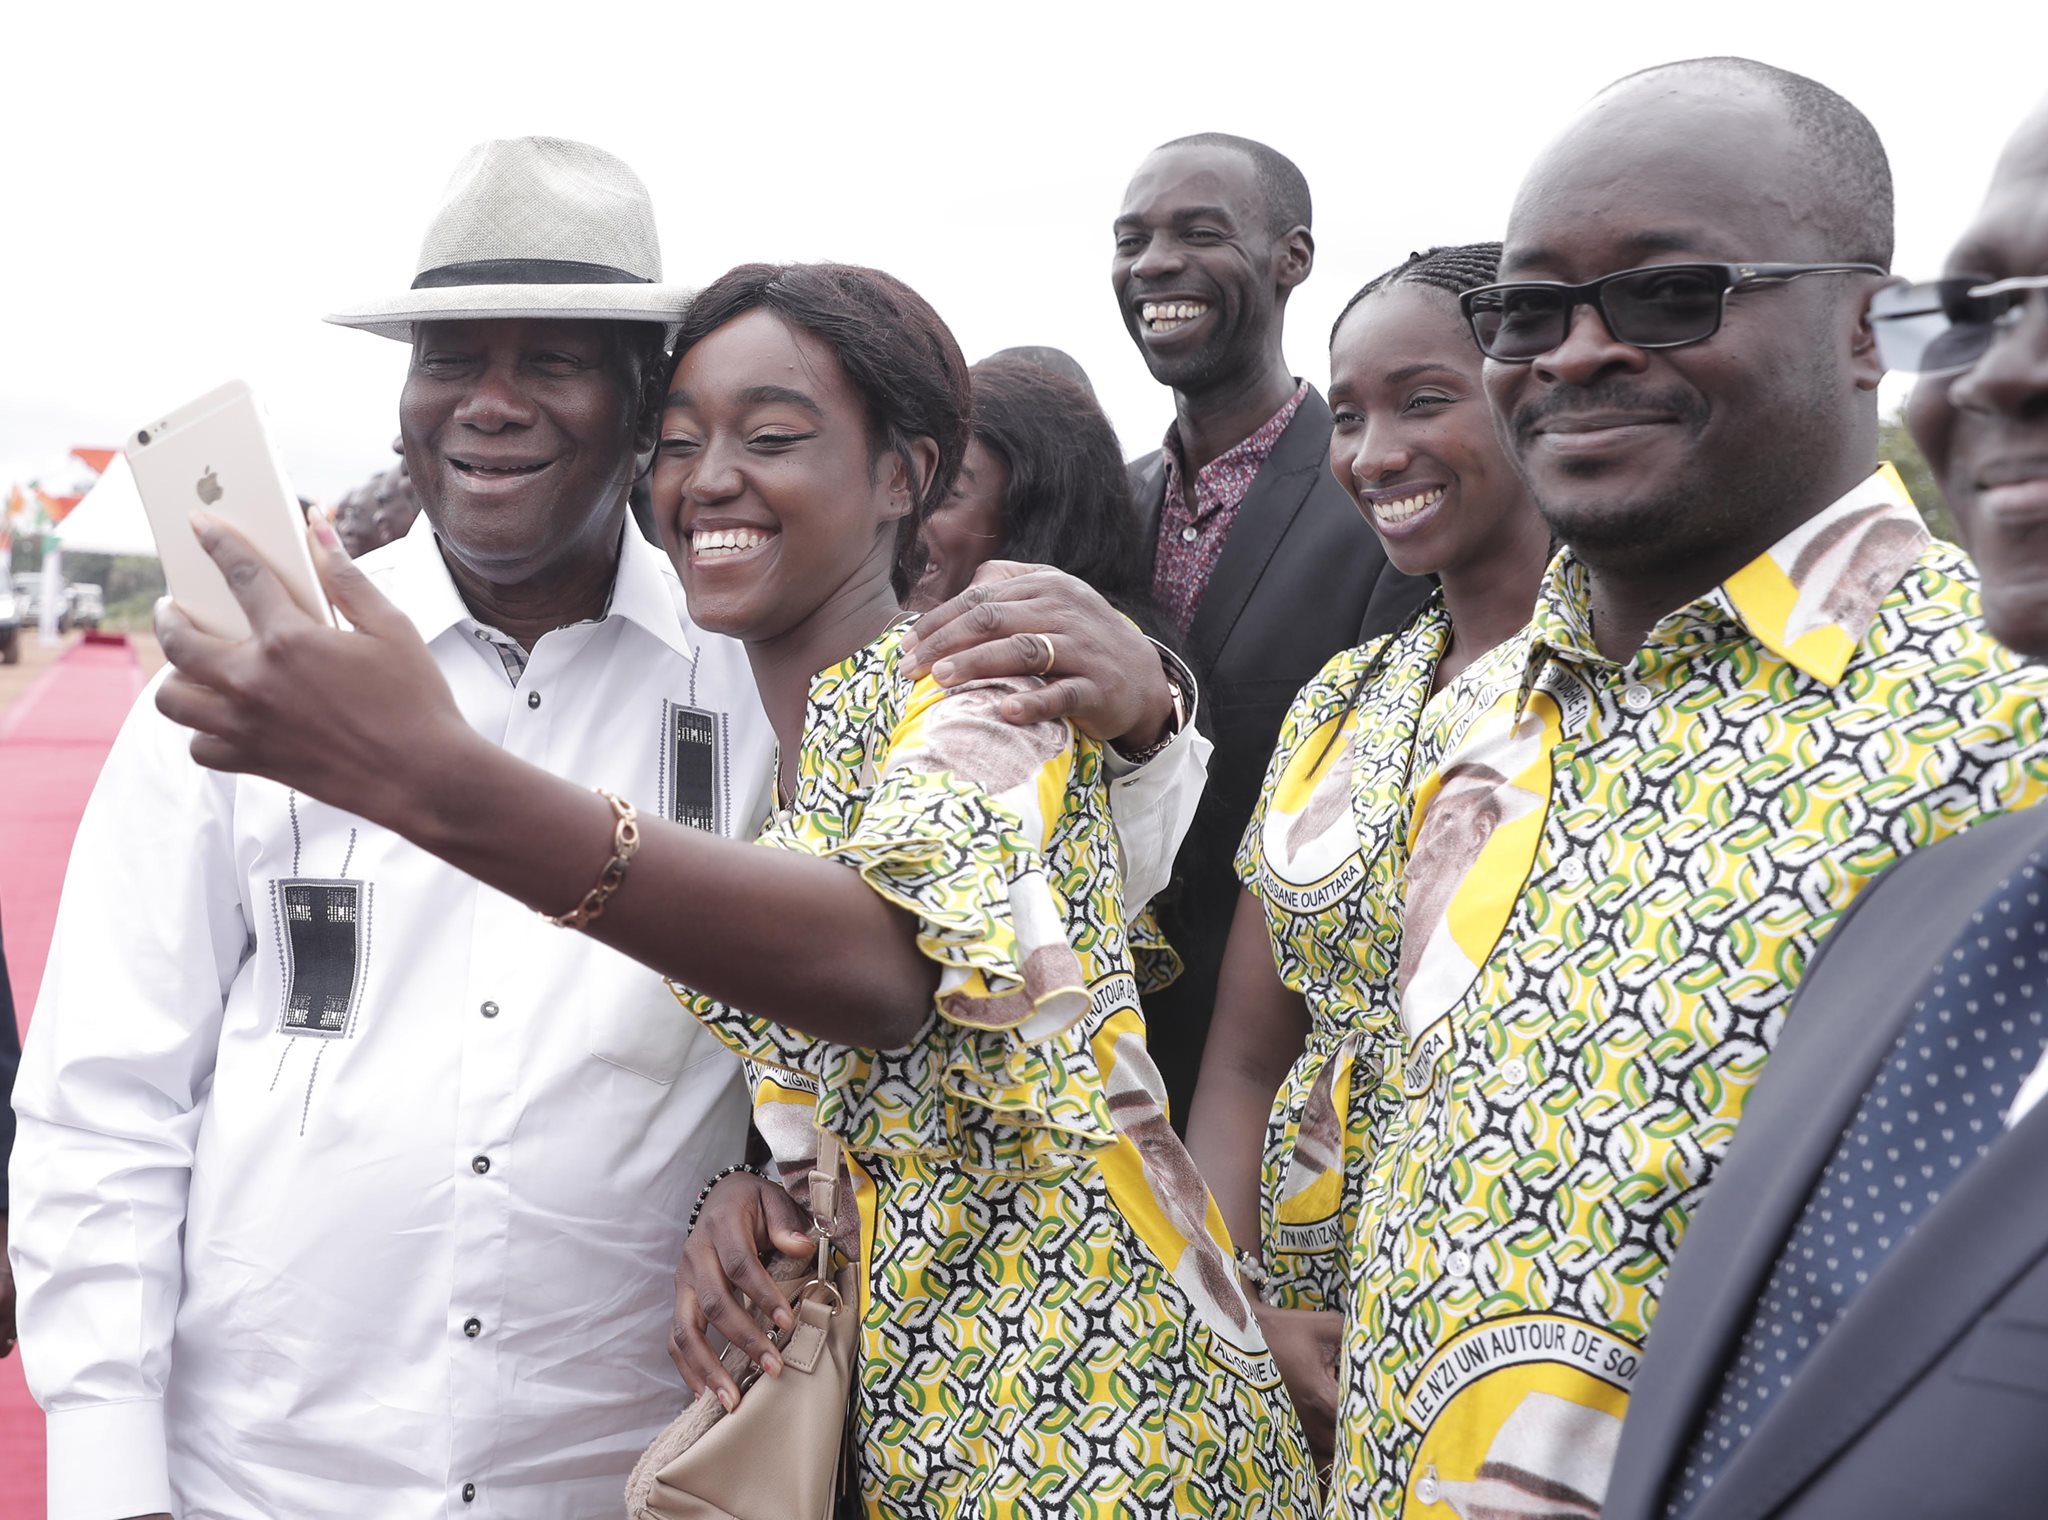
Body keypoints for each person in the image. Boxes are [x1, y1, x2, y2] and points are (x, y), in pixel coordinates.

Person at [5, 139, 1201, 1520]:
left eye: (551, 360)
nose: (489, 405)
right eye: (451, 357)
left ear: (638, 406)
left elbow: (968, 934)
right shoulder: (256, 672)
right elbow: (108, 1095)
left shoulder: (758, 671)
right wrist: (107, 1475)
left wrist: (1151, 721)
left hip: (628, 1468)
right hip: (265, 1471)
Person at [1323, 60, 2048, 1520]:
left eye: (1670, 296)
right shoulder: (1481, 711)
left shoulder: (2002, 723)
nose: (1577, 354)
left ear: (1863, 327)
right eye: (1530, 312)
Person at [1603, 91, 2048, 1520]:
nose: (1998, 374)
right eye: (1975, 306)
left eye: (1667, 298)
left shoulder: (1956, 735)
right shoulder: (1945, 920)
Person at [1183, 242, 1551, 1463]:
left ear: (1534, 387)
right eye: (1344, 414)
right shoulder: (1339, 700)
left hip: (1510, 1346)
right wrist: (1242, 1312)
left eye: (1422, 399)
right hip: (1292, 1336)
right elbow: (1243, 1056)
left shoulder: (1621, 688)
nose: (1371, 451)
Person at [1113, 132, 1433, 1125]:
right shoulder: (1106, 511)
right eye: (1130, 239)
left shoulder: (1388, 511)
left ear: (1289, 257)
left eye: (1197, 232)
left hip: (1289, 1102)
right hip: (1098, 1086)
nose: (1153, 263)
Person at [906, 356, 1155, 622]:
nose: (905, 515)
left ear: (1038, 523)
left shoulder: (1105, 656)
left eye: (944, 493)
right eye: (906, 484)